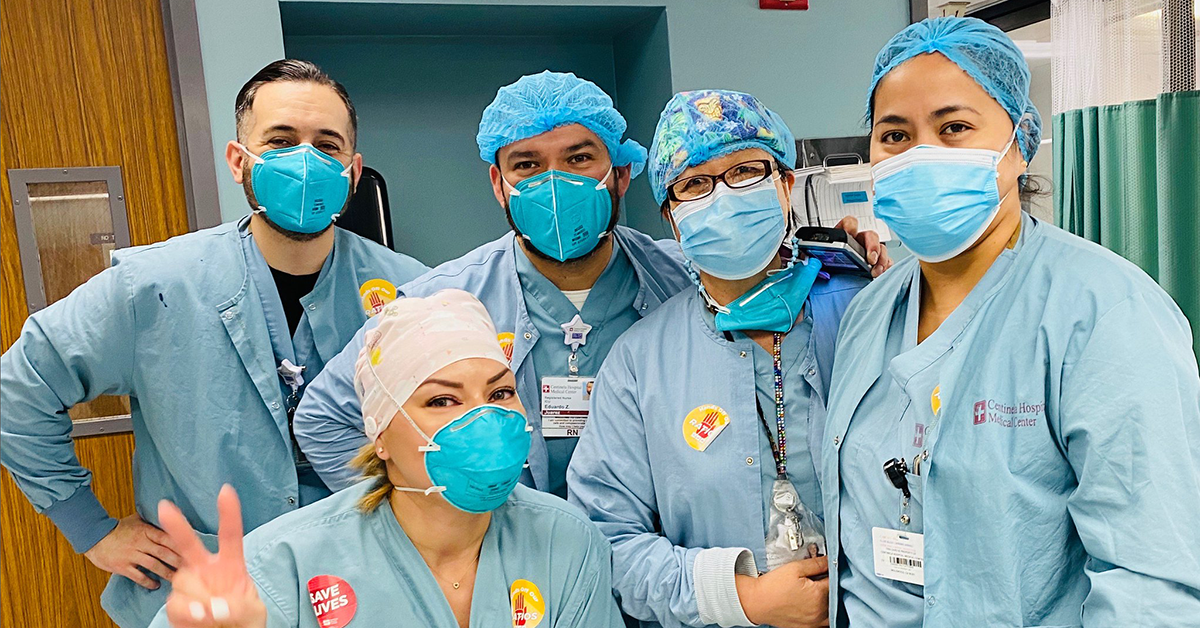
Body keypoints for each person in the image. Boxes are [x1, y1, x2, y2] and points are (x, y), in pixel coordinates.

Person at [293, 71, 890, 500]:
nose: (554, 182)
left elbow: (765, 279)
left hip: (660, 567)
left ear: (621, 174)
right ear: (499, 185)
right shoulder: (445, 301)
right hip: (518, 571)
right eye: (526, 164)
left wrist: (840, 255)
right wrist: (433, 506)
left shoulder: (681, 274)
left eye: (579, 158)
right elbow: (323, 418)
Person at [0, 59, 428, 626]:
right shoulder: (153, 287)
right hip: (204, 592)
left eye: (327, 145)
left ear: (353, 171)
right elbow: (17, 392)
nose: (305, 160)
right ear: (238, 160)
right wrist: (92, 530)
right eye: (280, 141)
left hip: (369, 586)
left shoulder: (411, 290)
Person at [821, 17, 1200, 628]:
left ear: (1020, 142)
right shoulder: (870, 310)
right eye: (895, 135)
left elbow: (1151, 582)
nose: (921, 153)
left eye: (955, 128)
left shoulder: (1102, 311)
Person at [567, 89, 878, 628]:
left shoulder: (866, 309)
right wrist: (740, 598)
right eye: (695, 184)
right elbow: (606, 537)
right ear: (671, 216)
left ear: (785, 184)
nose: (723, 197)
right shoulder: (642, 363)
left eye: (746, 171)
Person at [146, 290, 623, 628]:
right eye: (442, 401)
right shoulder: (281, 567)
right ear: (381, 436)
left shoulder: (564, 541)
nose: (485, 419)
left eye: (499, 392)